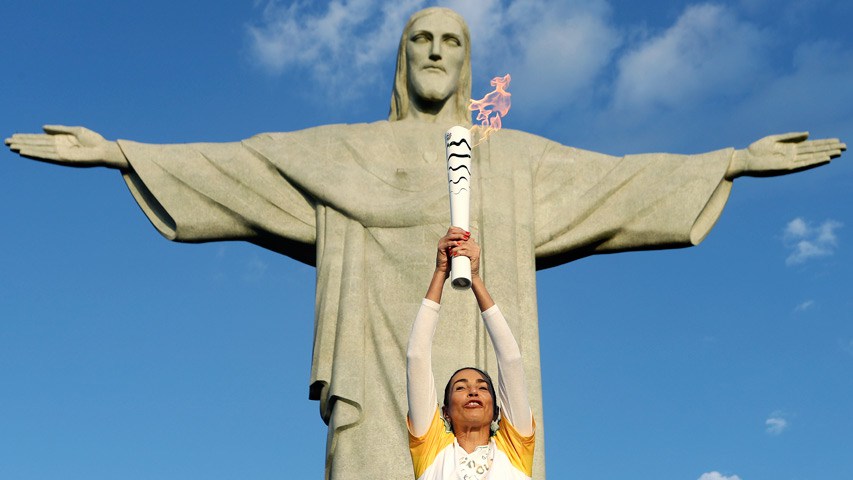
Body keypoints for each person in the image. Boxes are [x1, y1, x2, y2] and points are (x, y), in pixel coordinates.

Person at [4, 6, 845, 479]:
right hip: (377, 374)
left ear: (468, 64)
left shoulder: (510, 160)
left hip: (480, 367)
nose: (435, 52)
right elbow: (245, 166)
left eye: (451, 42)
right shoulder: (345, 151)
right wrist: (121, 150)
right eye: (420, 40)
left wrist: (730, 159)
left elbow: (618, 182)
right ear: (399, 59)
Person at [408, 228, 534, 480]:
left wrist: (474, 277)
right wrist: (441, 272)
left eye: (482, 388)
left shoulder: (515, 449)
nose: (473, 392)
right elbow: (416, 357)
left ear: (498, 412)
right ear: (445, 412)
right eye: (461, 388)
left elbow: (511, 360)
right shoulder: (433, 450)